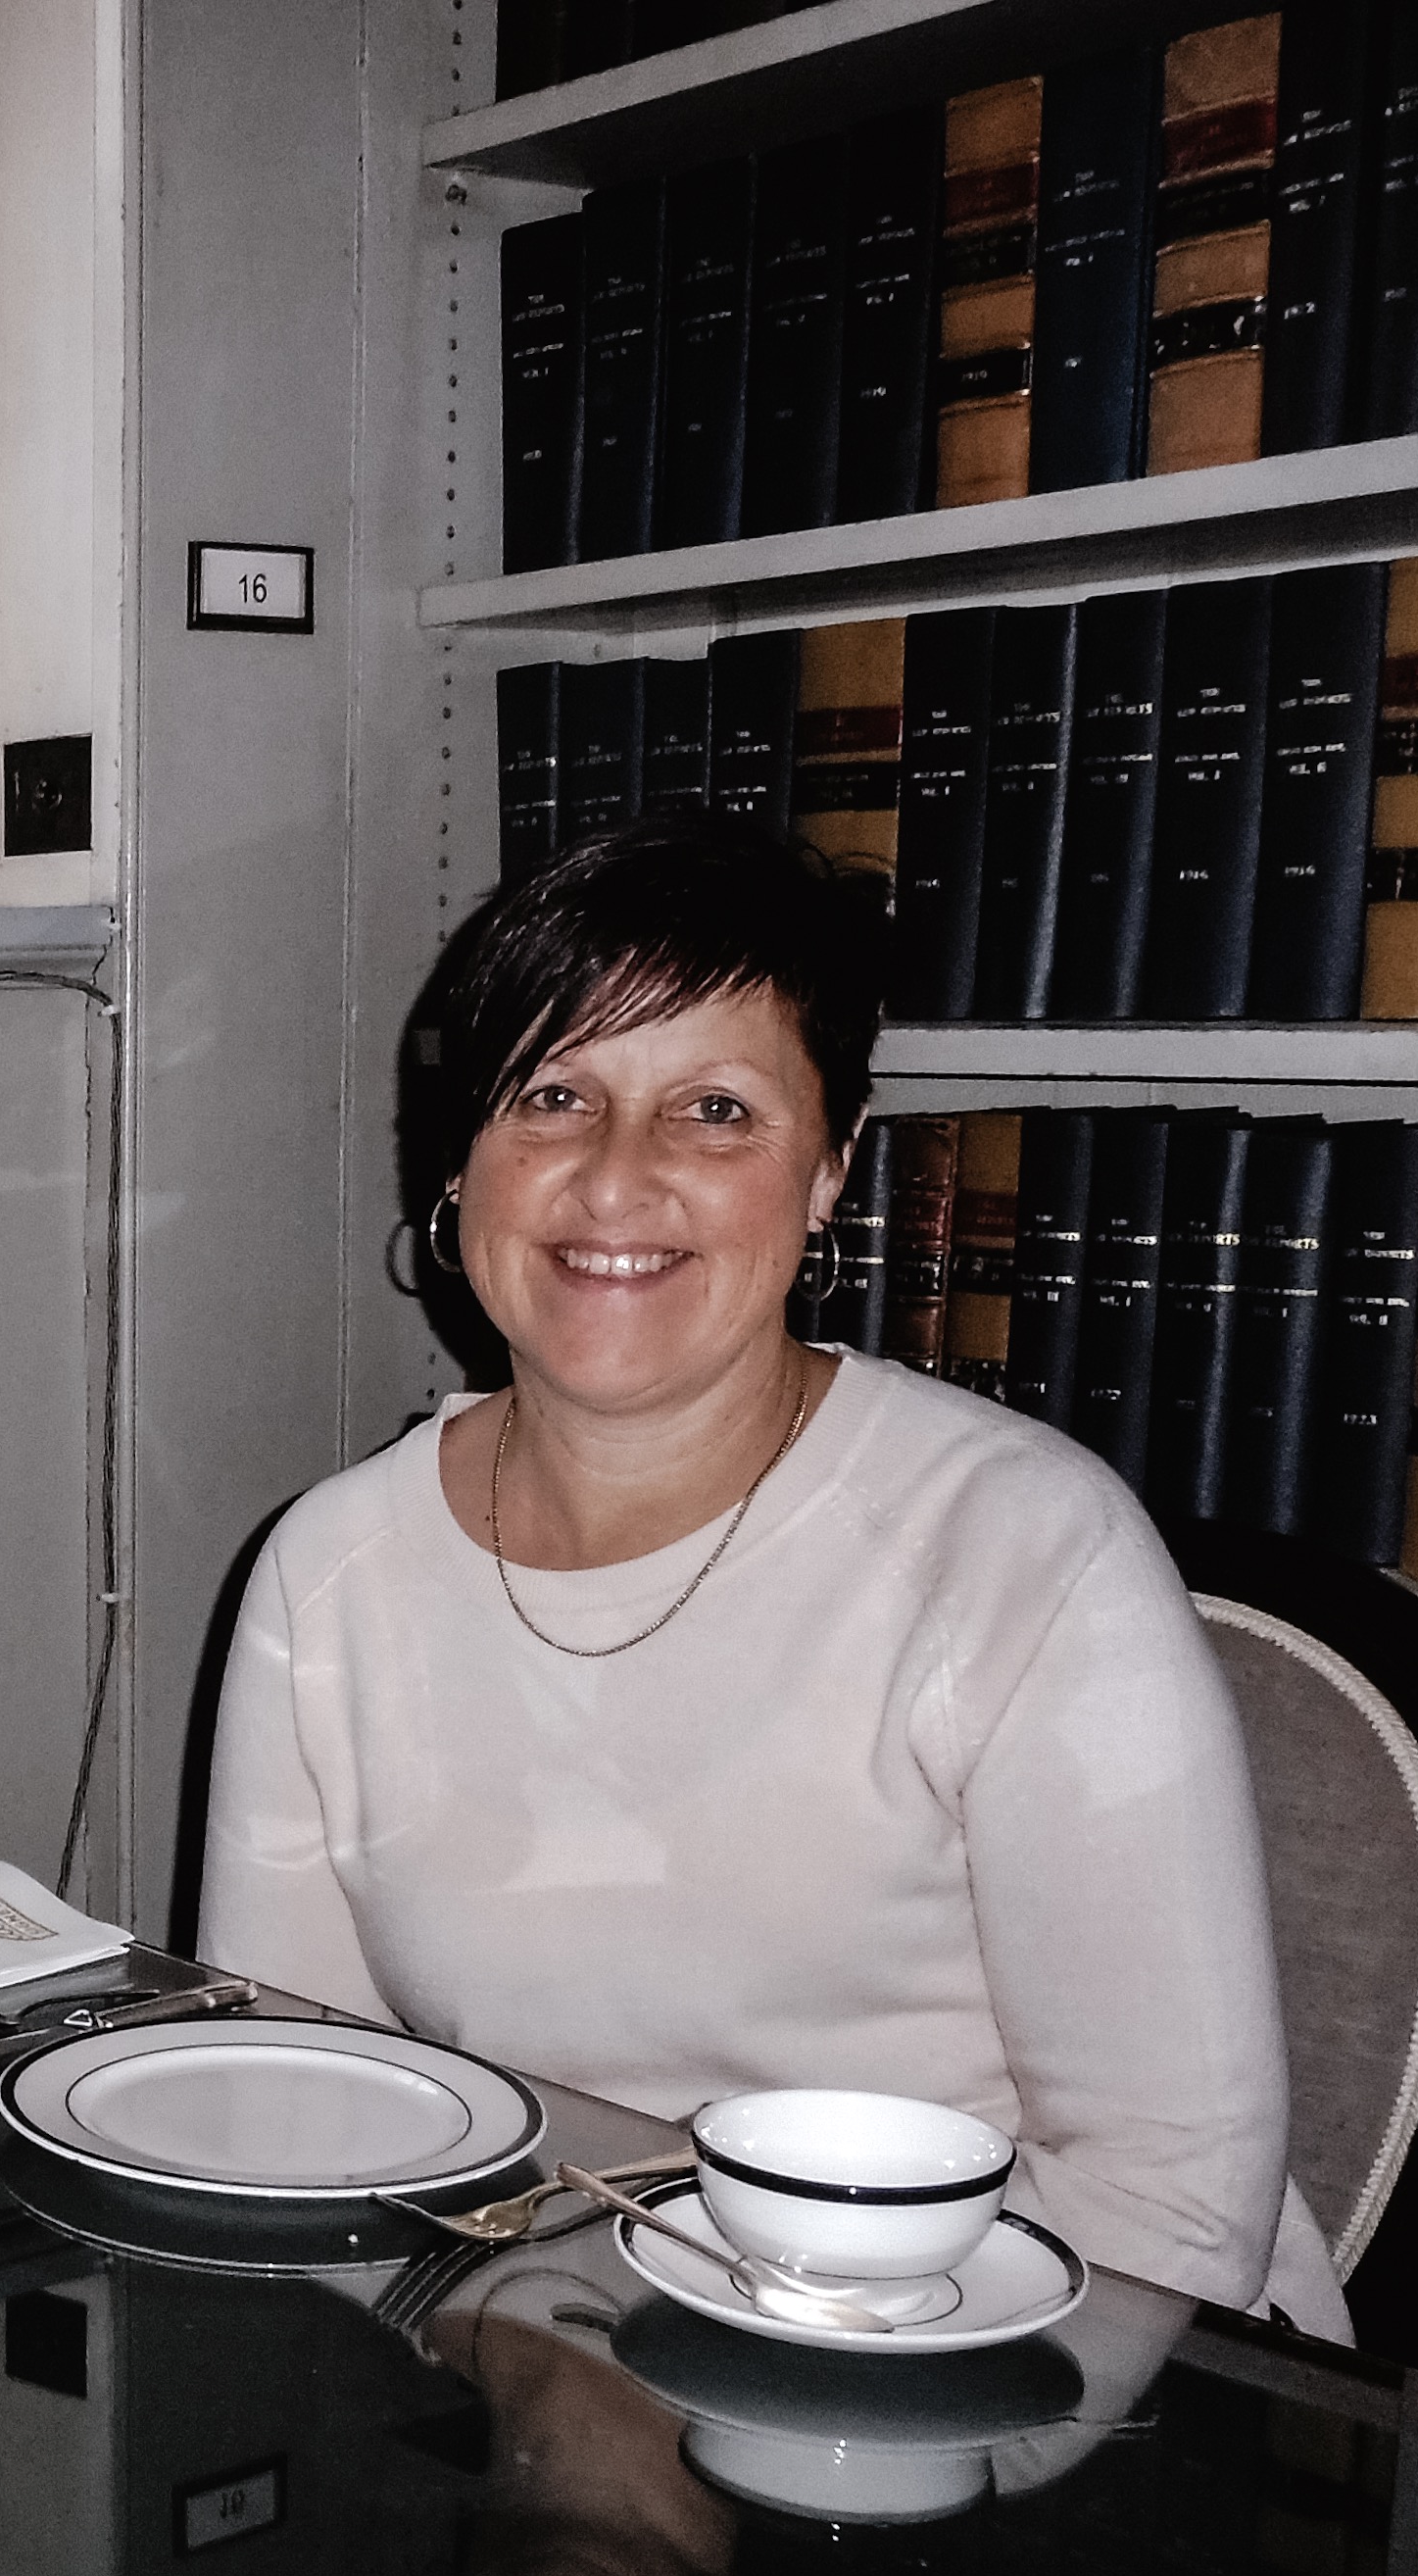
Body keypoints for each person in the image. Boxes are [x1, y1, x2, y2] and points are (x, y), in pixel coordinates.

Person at [201, 816, 1346, 2335]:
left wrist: (603, 2318)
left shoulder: (1021, 1549)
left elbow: (1176, 2204)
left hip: (1038, 2391)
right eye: (554, 1095)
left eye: (716, 1111)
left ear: (830, 1172)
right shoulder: (330, 1567)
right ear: (462, 1159)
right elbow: (287, 2102)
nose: (618, 1182)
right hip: (545, 2374)